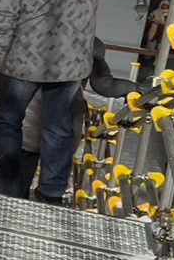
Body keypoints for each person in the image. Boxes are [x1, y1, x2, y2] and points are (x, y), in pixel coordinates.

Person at [0, 0, 143, 203]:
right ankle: (51, 192)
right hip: (69, 63)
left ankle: (8, 186)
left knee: (7, 123)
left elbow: (1, 14)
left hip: (20, 61)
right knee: (59, 128)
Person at [15, 38, 140, 193]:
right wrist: (133, 89)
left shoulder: (36, 30)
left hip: (31, 106)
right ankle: (47, 197)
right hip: (66, 112)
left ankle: (13, 199)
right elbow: (104, 85)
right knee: (54, 174)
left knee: (23, 166)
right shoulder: (90, 43)